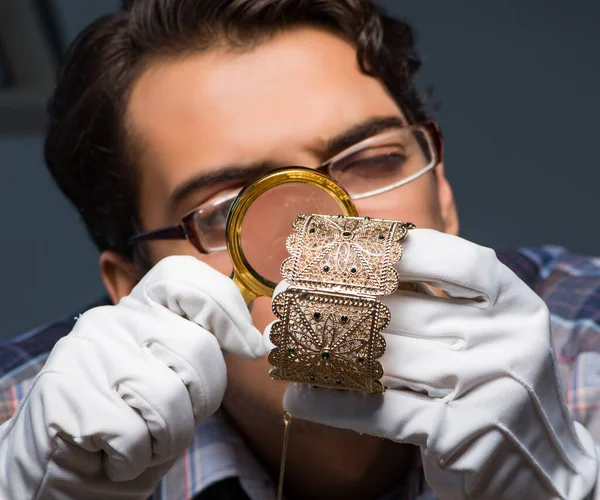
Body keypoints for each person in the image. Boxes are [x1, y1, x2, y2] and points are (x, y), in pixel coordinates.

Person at [0, 0, 599, 498]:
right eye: (231, 207)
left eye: (372, 162)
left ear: (441, 193)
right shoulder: (36, 436)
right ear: (132, 284)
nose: (326, 239)